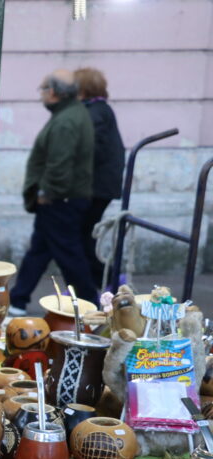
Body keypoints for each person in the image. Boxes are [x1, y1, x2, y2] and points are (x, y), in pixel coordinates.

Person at [8, 69, 97, 314]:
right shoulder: (68, 114)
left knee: (69, 257)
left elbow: (60, 164)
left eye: (43, 89)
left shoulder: (67, 120)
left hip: (60, 200)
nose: (41, 94)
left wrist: (46, 193)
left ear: (54, 93)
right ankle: (17, 300)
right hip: (62, 199)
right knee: (40, 250)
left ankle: (93, 305)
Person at [75, 67, 125, 292]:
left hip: (97, 186)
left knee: (81, 234)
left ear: (83, 89)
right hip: (99, 185)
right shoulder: (98, 110)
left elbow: (92, 151)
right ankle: (105, 281)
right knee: (83, 234)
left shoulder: (95, 112)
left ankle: (108, 281)